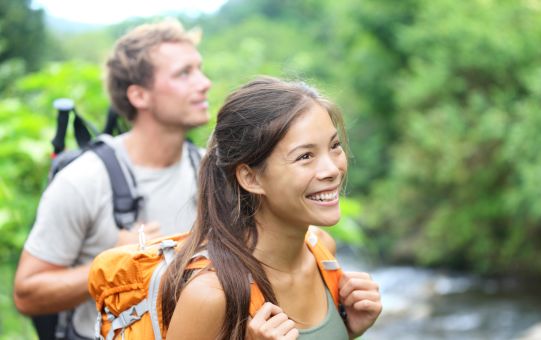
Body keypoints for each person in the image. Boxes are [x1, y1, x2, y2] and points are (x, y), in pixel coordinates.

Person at [13, 19, 211, 339]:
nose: (204, 83)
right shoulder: (84, 181)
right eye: (184, 73)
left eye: (199, 69)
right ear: (139, 95)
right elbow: (27, 293)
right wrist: (117, 263)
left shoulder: (210, 170)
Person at [161, 76, 382, 340]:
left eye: (334, 146)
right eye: (305, 156)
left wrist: (348, 330)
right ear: (250, 178)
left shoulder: (323, 251)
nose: (332, 169)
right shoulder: (211, 297)